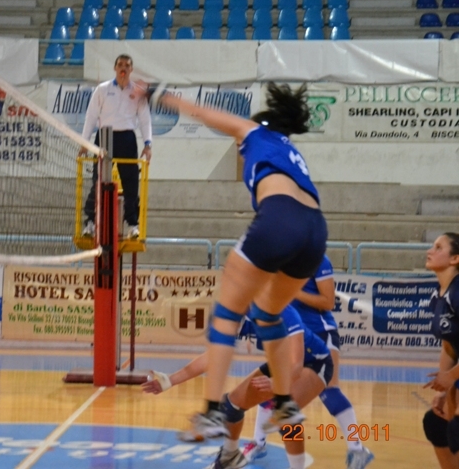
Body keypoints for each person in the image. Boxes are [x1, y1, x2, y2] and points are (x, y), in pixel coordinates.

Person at [155, 83, 328, 436]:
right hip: (316, 231)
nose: (238, 149)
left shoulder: (254, 133)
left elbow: (206, 114)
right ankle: (285, 404)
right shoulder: (290, 151)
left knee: (226, 314)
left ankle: (211, 413)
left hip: (280, 217)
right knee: (268, 314)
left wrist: (161, 95)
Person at [142, 305, 334, 469]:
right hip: (279, 364)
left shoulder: (284, 311)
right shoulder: (237, 311)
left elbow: (296, 364)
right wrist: (169, 380)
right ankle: (230, 457)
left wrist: (277, 384)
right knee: (231, 405)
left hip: (315, 363)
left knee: (285, 415)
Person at [244, 254, 374, 469]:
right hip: (289, 332)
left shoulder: (317, 259)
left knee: (329, 390)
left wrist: (293, 291)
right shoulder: (276, 258)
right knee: (271, 385)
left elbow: (328, 301)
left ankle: (357, 449)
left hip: (320, 331)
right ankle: (258, 443)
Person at [79, 54, 152, 240]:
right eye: (120, 64)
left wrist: (148, 144)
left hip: (127, 138)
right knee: (98, 181)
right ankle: (90, 222)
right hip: (105, 137)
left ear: (131, 69)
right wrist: (84, 142)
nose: (123, 68)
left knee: (131, 183)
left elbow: (145, 119)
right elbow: (91, 116)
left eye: (127, 65)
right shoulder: (102, 89)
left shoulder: (137, 92)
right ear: (115, 68)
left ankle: (132, 224)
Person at [423, 233, 459, 469]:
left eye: (438, 247)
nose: (430, 251)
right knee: (437, 424)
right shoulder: (439, 295)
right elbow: (449, 345)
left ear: (455, 258)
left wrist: (451, 376)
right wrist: (444, 387)